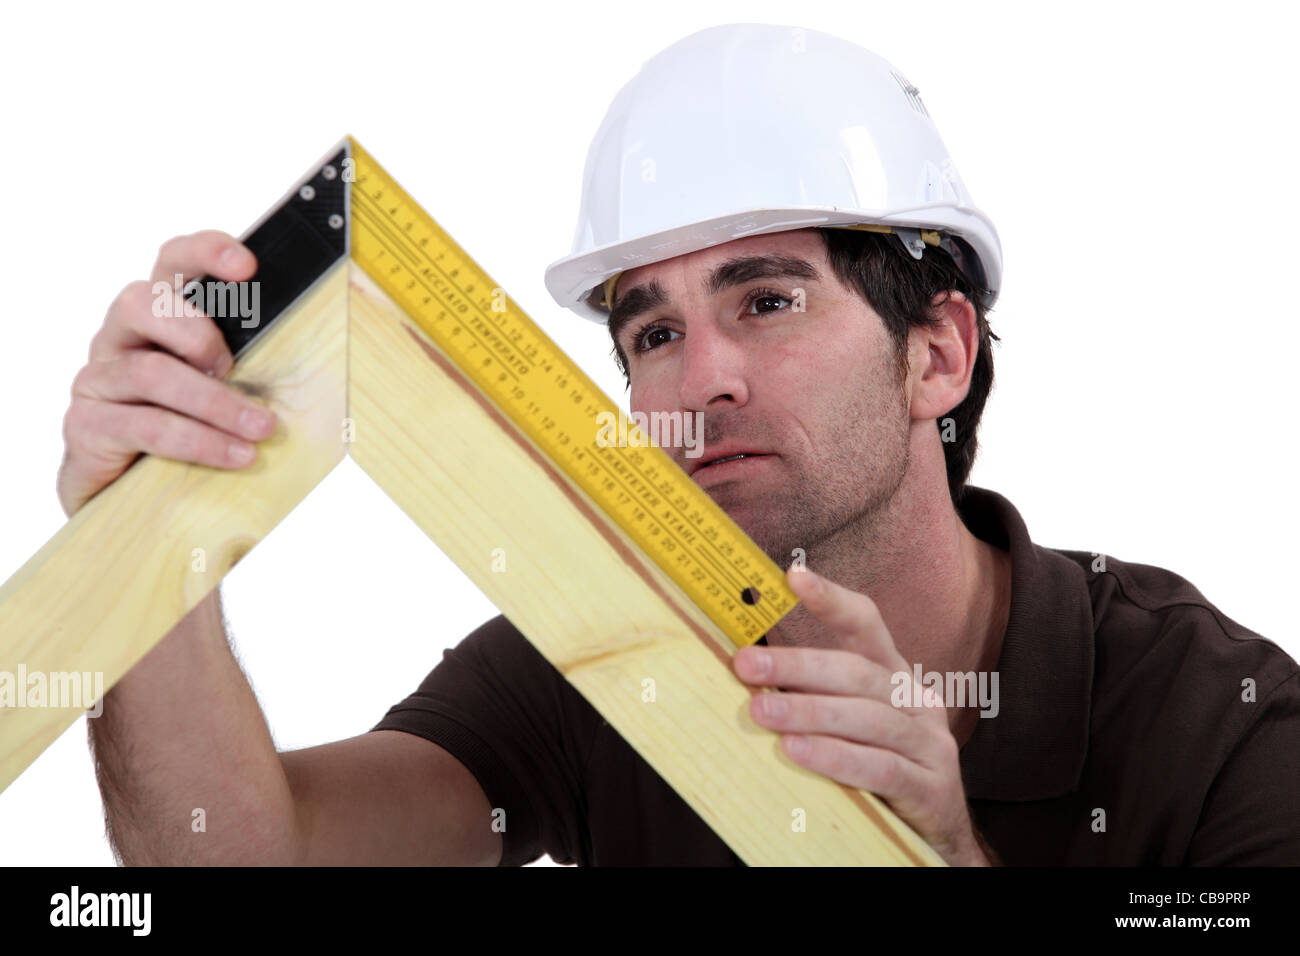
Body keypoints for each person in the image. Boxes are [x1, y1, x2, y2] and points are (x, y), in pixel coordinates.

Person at [71, 24, 1299, 866]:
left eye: (765, 299)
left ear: (937, 354)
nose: (696, 379)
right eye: (651, 329)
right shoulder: (604, 655)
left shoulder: (1212, 717)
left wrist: (942, 856)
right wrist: (153, 528)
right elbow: (239, 853)